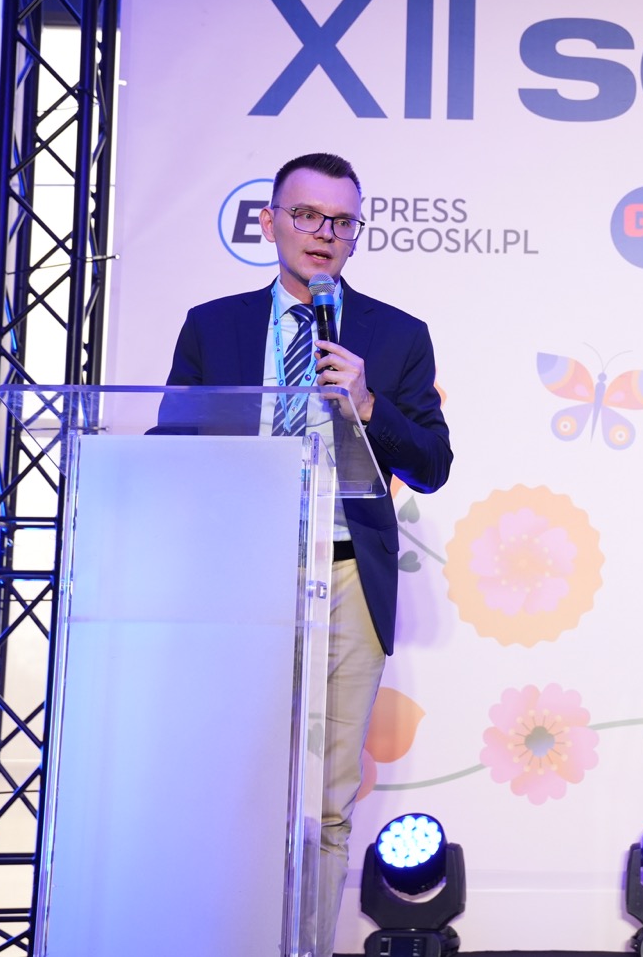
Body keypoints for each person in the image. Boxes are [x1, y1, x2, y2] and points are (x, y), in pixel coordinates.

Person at [165, 151, 452, 956]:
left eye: (341, 221)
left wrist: (369, 403)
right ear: (269, 223)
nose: (324, 233)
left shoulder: (396, 336)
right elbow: (171, 445)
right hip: (241, 579)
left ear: (356, 234)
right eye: (306, 215)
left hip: (346, 573)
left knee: (327, 799)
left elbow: (433, 461)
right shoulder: (212, 325)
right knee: (234, 789)